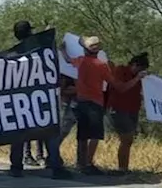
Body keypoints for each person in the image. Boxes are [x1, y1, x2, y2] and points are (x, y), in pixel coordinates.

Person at [60, 35, 145, 175]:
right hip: (95, 103)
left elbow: (68, 59)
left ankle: (81, 164)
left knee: (82, 135)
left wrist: (63, 50)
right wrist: (137, 79)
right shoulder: (101, 66)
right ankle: (87, 164)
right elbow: (119, 87)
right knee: (94, 135)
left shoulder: (80, 61)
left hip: (81, 102)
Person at [6, 22, 74, 181]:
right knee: (49, 132)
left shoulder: (11, 55)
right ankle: (55, 166)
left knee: (18, 134)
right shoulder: (39, 52)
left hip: (19, 102)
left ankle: (16, 166)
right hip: (40, 101)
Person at [106, 53, 148, 172]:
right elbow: (121, 88)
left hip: (132, 110)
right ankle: (122, 167)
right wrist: (137, 78)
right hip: (118, 109)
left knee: (128, 141)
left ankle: (124, 167)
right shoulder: (120, 70)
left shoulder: (140, 78)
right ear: (134, 65)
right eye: (139, 69)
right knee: (126, 138)